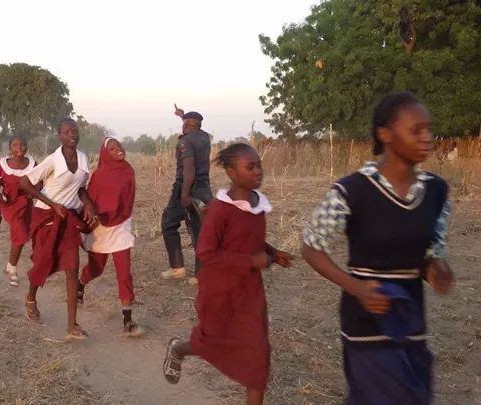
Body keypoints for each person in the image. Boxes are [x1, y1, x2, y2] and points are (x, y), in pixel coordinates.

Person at [301, 92, 454, 404]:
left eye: (429, 129)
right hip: (365, 326)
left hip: (411, 322)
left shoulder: (436, 191)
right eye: (416, 130)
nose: (427, 137)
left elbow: (430, 256)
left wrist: (436, 271)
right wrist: (356, 288)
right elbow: (311, 247)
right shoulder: (353, 190)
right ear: (385, 134)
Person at [162, 143, 292, 405]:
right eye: (250, 167)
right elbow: (206, 252)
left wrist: (271, 252)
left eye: (259, 165)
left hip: (249, 292)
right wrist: (251, 261)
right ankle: (179, 349)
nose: (258, 171)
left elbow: (247, 239)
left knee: (257, 358)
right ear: (231, 173)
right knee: (212, 341)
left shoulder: (257, 203)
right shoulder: (220, 210)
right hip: (220, 291)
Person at [19, 118, 97, 340]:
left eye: (75, 131)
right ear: (59, 136)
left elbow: (80, 188)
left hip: (68, 218)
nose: (72, 134)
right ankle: (31, 298)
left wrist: (88, 204)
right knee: (44, 263)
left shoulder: (83, 159)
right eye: (66, 132)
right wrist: (53, 204)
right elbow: (24, 184)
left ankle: (72, 325)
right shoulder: (53, 160)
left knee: (72, 268)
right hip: (46, 216)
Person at [77, 137, 144, 337]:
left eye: (119, 146)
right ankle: (80, 284)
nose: (118, 150)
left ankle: (128, 320)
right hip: (101, 228)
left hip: (121, 226)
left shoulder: (128, 170)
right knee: (96, 269)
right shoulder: (98, 176)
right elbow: (90, 201)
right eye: (112, 149)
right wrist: (89, 223)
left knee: (124, 273)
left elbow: (128, 198)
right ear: (106, 153)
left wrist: (122, 215)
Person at [160, 105, 212, 284]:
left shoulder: (185, 142)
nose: (182, 127)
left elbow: (189, 168)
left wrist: (184, 195)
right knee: (200, 230)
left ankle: (177, 268)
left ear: (189, 125)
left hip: (187, 187)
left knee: (168, 222)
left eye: (185, 124)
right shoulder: (204, 137)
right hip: (204, 189)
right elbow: (193, 125)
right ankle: (202, 274)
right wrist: (183, 116)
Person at [0, 135, 36, 287]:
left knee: (24, 234)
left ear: (27, 147)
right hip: (9, 204)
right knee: (20, 235)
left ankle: (10, 265)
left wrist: (34, 191)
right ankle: (13, 271)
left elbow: (41, 179)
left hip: (26, 205)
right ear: (10, 148)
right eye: (15, 145)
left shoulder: (33, 164)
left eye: (22, 144)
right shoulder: (3, 164)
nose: (19, 148)